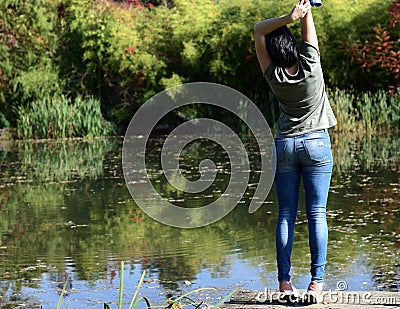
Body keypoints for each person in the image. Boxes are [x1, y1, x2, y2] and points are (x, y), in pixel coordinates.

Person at [254, 0, 337, 303]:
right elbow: (309, 37)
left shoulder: (273, 74)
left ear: (273, 53)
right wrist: (304, 12)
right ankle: (316, 284)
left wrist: (286, 17)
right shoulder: (311, 66)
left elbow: (258, 30)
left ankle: (284, 284)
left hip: (285, 144)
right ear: (293, 46)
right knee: (317, 214)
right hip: (316, 143)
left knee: (286, 214)